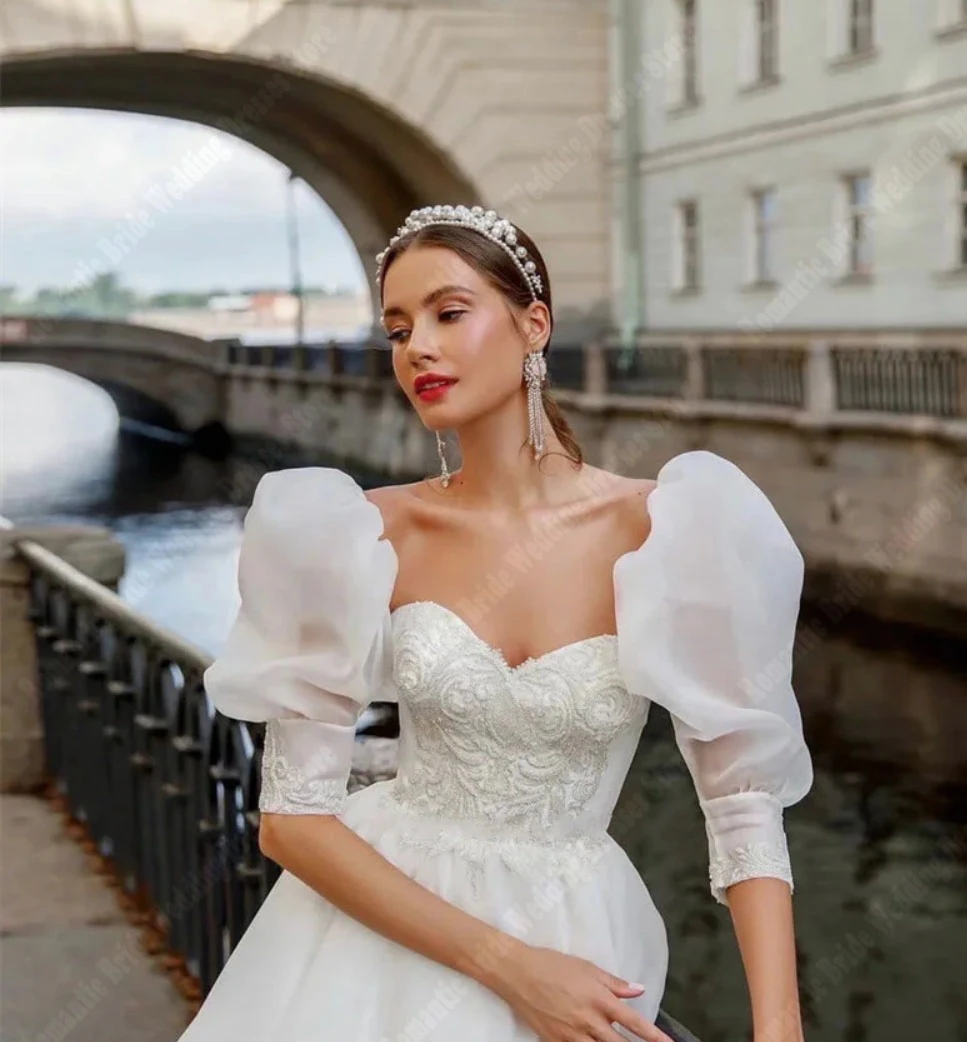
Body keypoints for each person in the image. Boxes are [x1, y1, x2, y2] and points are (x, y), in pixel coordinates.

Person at [179, 204, 813, 1042]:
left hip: (577, 924)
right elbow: (293, 818)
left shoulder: (673, 531)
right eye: (398, 330)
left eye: (448, 313)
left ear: (533, 324)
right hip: (385, 928)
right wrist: (509, 966)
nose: (418, 350)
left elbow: (741, 806)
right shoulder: (355, 531)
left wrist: (778, 1028)